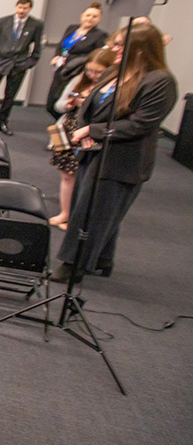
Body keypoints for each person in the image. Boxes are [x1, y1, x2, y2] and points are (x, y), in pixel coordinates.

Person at [52, 24, 178, 282]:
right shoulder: (115, 72)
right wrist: (87, 132)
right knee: (92, 207)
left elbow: (140, 124)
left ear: (140, 50)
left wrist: (93, 132)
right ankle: (101, 260)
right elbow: (90, 104)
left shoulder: (159, 81)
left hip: (123, 159)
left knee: (95, 212)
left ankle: (72, 265)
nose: (114, 49)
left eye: (120, 45)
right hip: (94, 151)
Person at [47, 48, 113, 230]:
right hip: (66, 130)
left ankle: (77, 218)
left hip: (89, 135)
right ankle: (65, 213)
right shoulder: (78, 81)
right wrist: (69, 103)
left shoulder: (112, 87)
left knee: (83, 177)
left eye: (98, 71)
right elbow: (57, 105)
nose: (93, 75)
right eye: (89, 70)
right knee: (65, 175)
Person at [0, 0, 44, 136]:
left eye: (25, 8)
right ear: (16, 7)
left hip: (18, 64)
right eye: (19, 7)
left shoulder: (36, 24)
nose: (21, 10)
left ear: (30, 8)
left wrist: (28, 64)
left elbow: (37, 48)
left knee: (10, 96)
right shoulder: (3, 21)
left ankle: (2, 122)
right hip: (0, 61)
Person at [45, 3, 108, 119]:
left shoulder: (100, 35)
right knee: (51, 103)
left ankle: (65, 124)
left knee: (65, 100)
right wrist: (57, 56)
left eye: (94, 16)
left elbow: (96, 56)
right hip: (61, 69)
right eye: (88, 15)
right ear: (82, 16)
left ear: (99, 19)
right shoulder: (71, 28)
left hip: (76, 71)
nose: (90, 18)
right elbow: (61, 45)